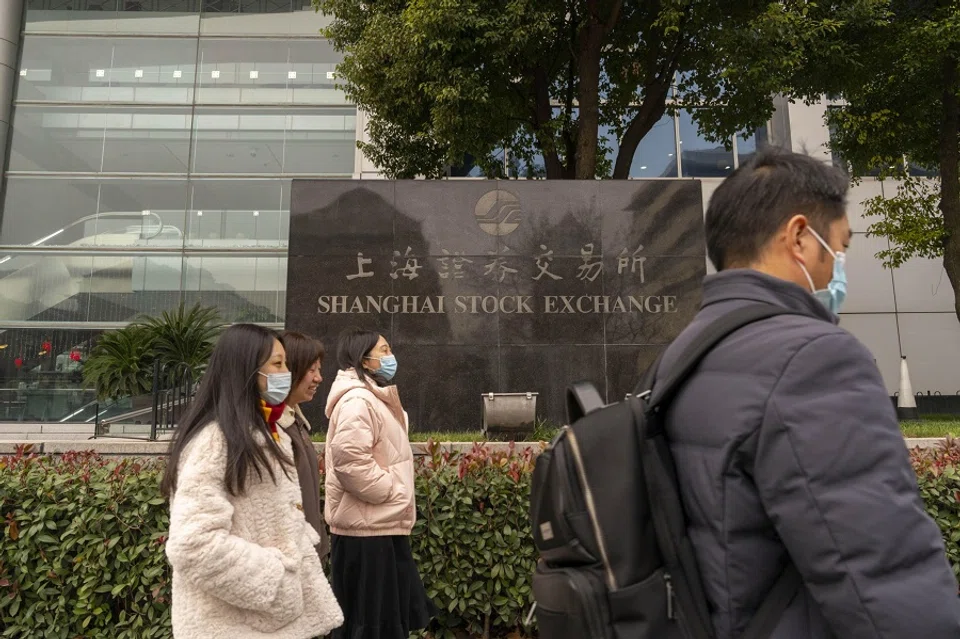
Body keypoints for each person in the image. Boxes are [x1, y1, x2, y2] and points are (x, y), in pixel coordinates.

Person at [657, 148, 960, 638]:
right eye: (839, 247)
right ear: (800, 237)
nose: (839, 265)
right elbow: (882, 580)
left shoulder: (683, 355)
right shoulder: (814, 359)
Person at [161, 323, 343, 639]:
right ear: (246, 369)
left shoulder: (264, 436)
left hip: (267, 624)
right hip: (234, 625)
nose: (287, 373)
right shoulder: (217, 441)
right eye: (278, 364)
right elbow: (194, 545)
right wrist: (276, 579)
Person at [324, 327, 435, 639]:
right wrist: (392, 491)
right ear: (364, 359)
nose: (391, 356)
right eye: (384, 350)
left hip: (377, 527)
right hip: (366, 534)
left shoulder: (372, 397)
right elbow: (350, 460)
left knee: (381, 624)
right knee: (370, 626)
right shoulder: (358, 401)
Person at [279, 330, 329, 560]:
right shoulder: (271, 431)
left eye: (318, 370)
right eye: (311, 370)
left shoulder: (296, 422)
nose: (318, 378)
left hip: (309, 555)